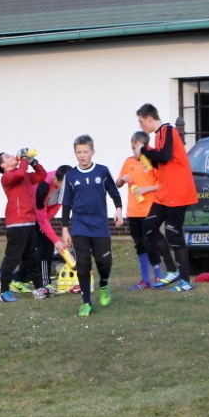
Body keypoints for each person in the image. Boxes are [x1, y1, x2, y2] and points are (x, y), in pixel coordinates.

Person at [135, 104, 198, 292]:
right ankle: (171, 270)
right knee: (149, 227)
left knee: (174, 234)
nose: (140, 126)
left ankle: (185, 280)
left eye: (141, 121)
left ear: (148, 119)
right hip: (165, 193)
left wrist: (145, 150)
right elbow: (162, 162)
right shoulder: (158, 136)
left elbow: (165, 155)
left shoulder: (168, 130)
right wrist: (146, 160)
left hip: (178, 192)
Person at [59, 135, 124, 317]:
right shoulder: (70, 176)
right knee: (83, 263)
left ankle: (104, 283)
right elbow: (66, 204)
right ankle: (86, 302)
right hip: (80, 225)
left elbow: (114, 192)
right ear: (75, 154)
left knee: (104, 262)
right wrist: (65, 229)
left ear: (92, 152)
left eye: (85, 152)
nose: (82, 156)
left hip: (100, 225)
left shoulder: (102, 172)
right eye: (79, 152)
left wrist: (119, 210)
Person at [0, 150, 50, 302]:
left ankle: (39, 288)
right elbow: (18, 175)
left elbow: (41, 176)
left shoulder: (24, 174)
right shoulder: (7, 177)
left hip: (29, 221)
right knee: (13, 257)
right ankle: (4, 291)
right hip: (16, 223)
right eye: (7, 156)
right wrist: (24, 160)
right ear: (3, 165)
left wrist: (33, 162)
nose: (12, 156)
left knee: (32, 257)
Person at [11, 164, 72, 293]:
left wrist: (47, 226)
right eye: (64, 186)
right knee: (44, 247)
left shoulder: (65, 185)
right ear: (55, 180)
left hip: (42, 216)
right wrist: (56, 240)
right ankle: (44, 283)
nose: (66, 190)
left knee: (38, 249)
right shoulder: (43, 187)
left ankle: (18, 279)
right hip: (28, 214)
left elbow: (55, 207)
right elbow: (41, 217)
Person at [116, 131, 163, 289]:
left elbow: (163, 184)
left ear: (145, 147)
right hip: (133, 212)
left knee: (150, 243)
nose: (133, 151)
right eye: (132, 147)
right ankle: (145, 280)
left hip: (149, 210)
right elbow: (117, 183)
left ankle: (158, 277)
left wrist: (145, 189)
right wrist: (122, 179)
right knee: (140, 245)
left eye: (136, 147)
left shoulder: (151, 162)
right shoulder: (128, 162)